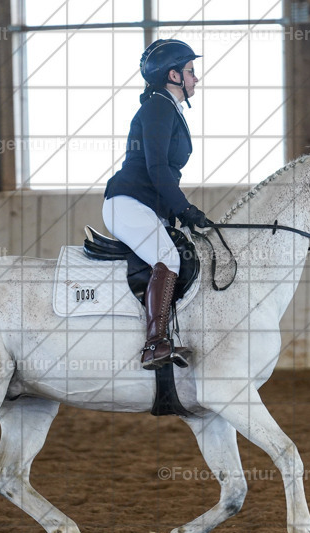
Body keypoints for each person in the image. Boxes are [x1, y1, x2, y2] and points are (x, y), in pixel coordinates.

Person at [103, 38, 214, 370]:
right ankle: (154, 346)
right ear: (174, 75)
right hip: (127, 201)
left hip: (149, 206)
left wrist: (177, 212)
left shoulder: (169, 107)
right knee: (167, 257)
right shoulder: (157, 106)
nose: (196, 78)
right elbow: (157, 169)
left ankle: (170, 333)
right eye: (191, 71)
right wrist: (185, 209)